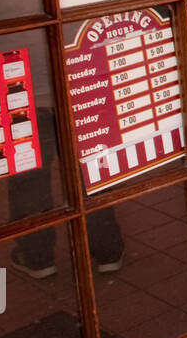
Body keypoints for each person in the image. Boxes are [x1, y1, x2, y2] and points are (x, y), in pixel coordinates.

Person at [9, 105, 124, 278]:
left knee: (30, 176)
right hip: (75, 93)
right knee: (88, 166)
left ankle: (37, 256)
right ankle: (107, 249)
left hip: (27, 99)